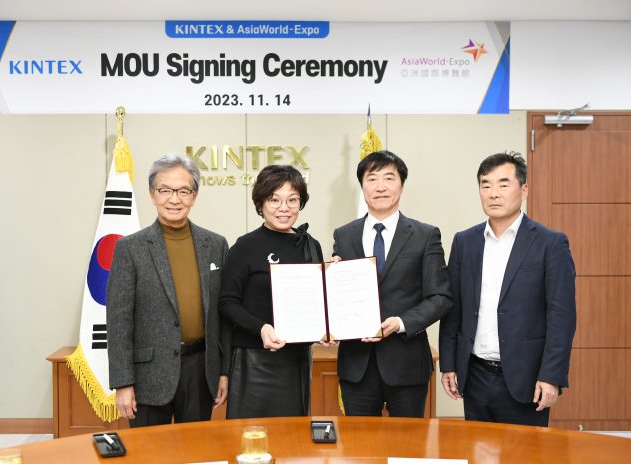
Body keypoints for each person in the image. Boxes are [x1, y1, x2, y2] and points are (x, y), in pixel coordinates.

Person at [439, 152, 576, 427]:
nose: (494, 193)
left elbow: (561, 317)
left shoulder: (550, 243)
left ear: (524, 190)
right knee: (476, 447)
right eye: (486, 185)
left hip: (527, 379)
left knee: (524, 450)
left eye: (503, 184)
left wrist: (551, 376)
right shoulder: (465, 242)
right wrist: (449, 364)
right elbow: (453, 309)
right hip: (475, 375)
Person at [106, 154, 230, 426]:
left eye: (184, 191)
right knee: (148, 449)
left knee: (196, 447)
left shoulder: (216, 245)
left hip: (200, 371)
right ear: (152, 194)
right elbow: (118, 322)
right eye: (165, 190)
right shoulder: (130, 248)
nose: (175, 199)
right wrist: (123, 383)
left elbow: (223, 315)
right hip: (148, 375)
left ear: (194, 196)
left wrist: (223, 372)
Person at [332, 150, 452, 417]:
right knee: (360, 442)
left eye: (389, 178)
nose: (380, 186)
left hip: (407, 363)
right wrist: (330, 280)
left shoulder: (425, 235)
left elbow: (440, 297)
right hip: (357, 364)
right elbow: (340, 293)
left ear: (402, 185)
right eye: (372, 178)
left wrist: (401, 323)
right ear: (362, 186)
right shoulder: (344, 234)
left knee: (408, 441)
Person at [219, 164, 323, 419]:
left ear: (301, 203)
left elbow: (317, 301)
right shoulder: (245, 246)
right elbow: (227, 302)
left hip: (296, 360)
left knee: (292, 437)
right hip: (252, 360)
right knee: (249, 437)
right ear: (261, 203)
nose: (284, 208)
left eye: (292, 200)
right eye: (274, 200)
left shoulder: (311, 246)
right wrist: (261, 328)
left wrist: (325, 329)